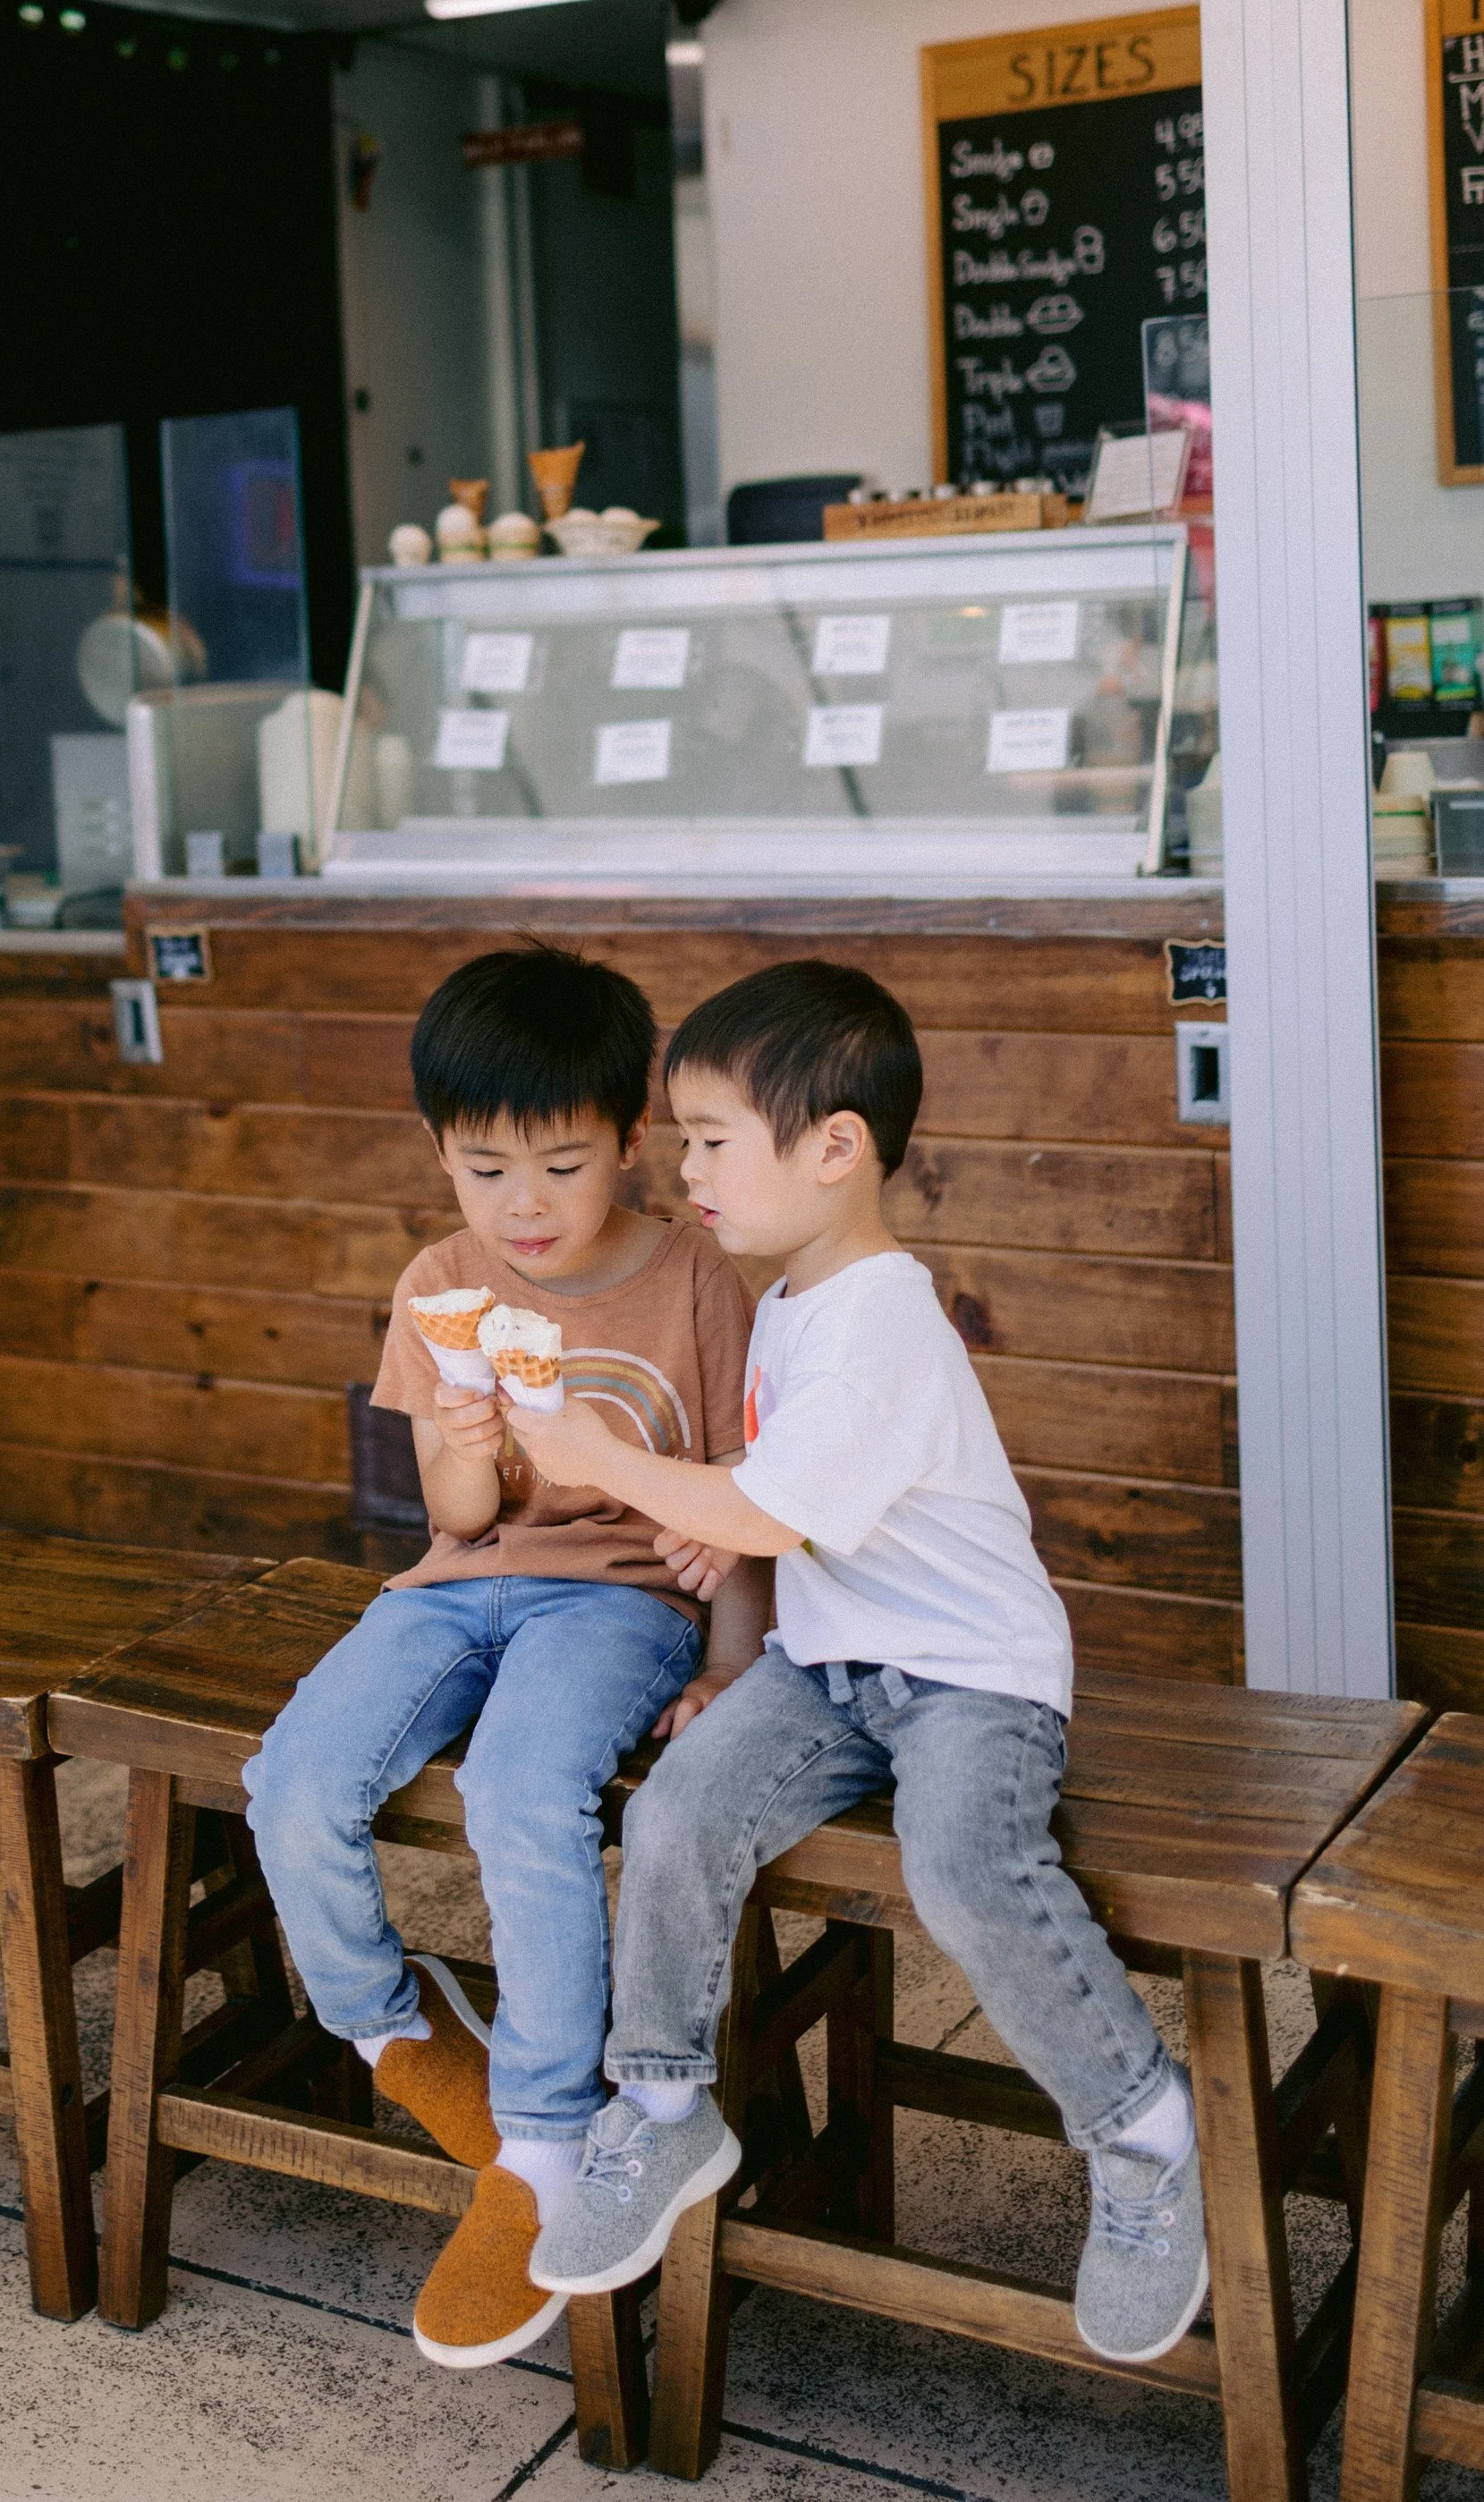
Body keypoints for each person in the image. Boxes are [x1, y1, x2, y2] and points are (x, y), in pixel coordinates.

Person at [510, 957, 1207, 2371]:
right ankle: (662, 2107)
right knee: (676, 1811)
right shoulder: (792, 1298)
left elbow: (768, 1503)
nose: (685, 1163)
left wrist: (614, 1463)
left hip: (966, 1674)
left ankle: (1144, 2128)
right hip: (832, 1665)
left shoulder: (879, 1312)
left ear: (835, 1146)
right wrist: (732, 1556)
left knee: (962, 1859)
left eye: (711, 1136)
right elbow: (777, 1499)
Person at [242, 939, 763, 2371]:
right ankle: (398, 2035)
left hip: (618, 1602)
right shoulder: (439, 1279)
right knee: (289, 1779)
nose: (521, 1205)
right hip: (457, 1582)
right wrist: (470, 1456)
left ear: (629, 1142)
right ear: (441, 1153)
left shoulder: (698, 1277)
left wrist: (732, 1658)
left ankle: (539, 2138)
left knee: (524, 1797)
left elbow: (740, 1499)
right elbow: (453, 1519)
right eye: (484, 1169)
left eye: (558, 1162)